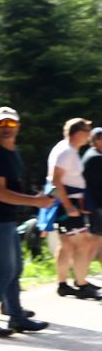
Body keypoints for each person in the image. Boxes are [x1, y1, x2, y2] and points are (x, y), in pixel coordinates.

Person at [0, 107, 52, 337]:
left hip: (6, 220)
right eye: (1, 124)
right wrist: (36, 201)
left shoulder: (11, 151)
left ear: (18, 126)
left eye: (11, 124)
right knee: (4, 271)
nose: (6, 128)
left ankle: (17, 318)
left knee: (15, 269)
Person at [46, 117, 100, 299]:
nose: (89, 136)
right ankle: (82, 285)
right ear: (79, 133)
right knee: (83, 244)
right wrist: (69, 207)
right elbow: (55, 179)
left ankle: (63, 284)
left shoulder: (65, 149)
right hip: (67, 204)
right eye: (87, 131)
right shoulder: (67, 152)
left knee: (67, 245)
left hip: (67, 202)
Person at [81, 127, 102, 272]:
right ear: (93, 141)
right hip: (97, 207)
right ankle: (80, 278)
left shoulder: (92, 154)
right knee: (94, 243)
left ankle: (80, 277)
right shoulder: (96, 158)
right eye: (99, 138)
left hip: (94, 206)